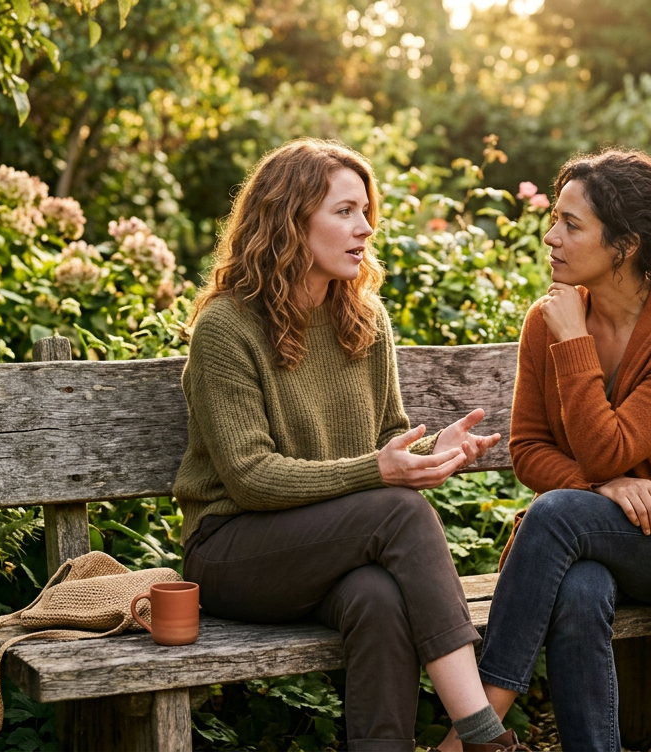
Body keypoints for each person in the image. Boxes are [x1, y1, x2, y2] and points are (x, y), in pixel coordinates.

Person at [176, 139, 526, 752]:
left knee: (379, 597)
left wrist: (422, 452)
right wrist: (380, 472)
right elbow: (250, 477)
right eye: (344, 212)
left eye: (365, 211)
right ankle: (482, 735)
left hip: (326, 549)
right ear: (289, 220)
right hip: (232, 549)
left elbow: (388, 434)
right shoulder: (227, 327)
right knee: (399, 509)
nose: (365, 227)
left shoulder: (363, 318)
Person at [440, 149, 651, 752]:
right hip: (595, 532)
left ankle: (480, 724)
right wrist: (602, 488)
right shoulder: (547, 319)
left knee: (553, 514)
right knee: (580, 592)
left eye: (571, 224)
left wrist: (575, 343)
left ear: (624, 246)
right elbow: (529, 449)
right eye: (554, 218)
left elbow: (610, 450)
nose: (550, 236)